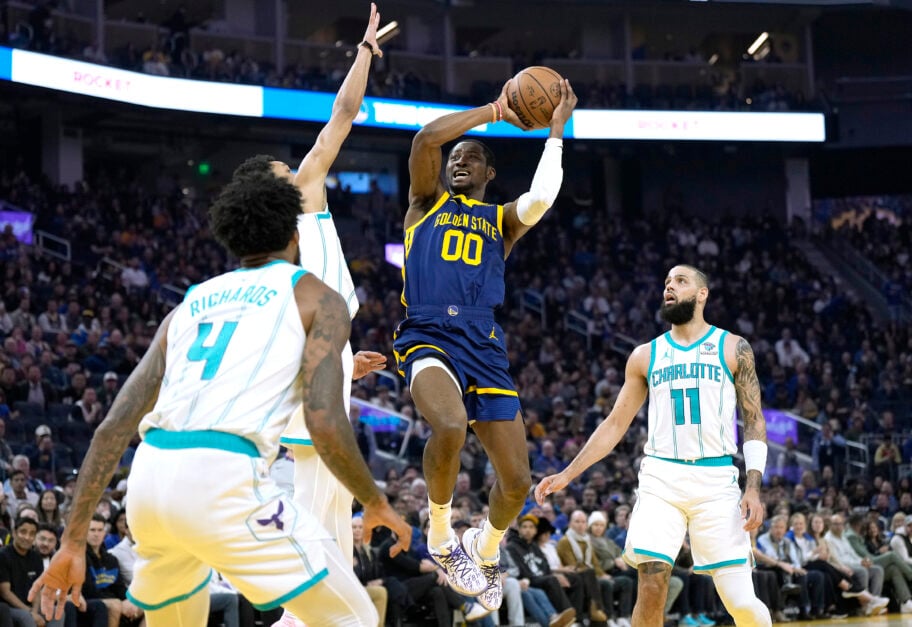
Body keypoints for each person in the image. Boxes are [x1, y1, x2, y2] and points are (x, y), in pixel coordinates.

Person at [28, 167, 410, 626]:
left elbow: (113, 426)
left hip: (149, 483)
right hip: (223, 476)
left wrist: (72, 542)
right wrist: (374, 499)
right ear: (295, 232)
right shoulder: (317, 296)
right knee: (356, 619)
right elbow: (324, 418)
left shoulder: (188, 302)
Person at [393, 67, 577, 612]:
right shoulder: (424, 205)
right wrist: (495, 111)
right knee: (448, 425)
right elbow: (427, 139)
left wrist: (555, 131)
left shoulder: (500, 219)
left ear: (489, 172)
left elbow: (541, 198)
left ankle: (486, 547)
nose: (457, 160)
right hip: (427, 331)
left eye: (470, 157)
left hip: (483, 339)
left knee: (517, 483)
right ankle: (443, 536)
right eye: (456, 157)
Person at [228, 7, 388, 626]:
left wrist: (347, 367)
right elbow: (341, 118)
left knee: (330, 545)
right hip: (311, 387)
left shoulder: (263, 249)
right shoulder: (306, 194)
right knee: (326, 556)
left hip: (318, 369)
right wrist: (365, 54)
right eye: (282, 172)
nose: (295, 169)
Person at [535, 264, 772, 627]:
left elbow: (754, 420)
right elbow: (615, 424)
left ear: (702, 293)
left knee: (741, 604)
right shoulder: (645, 355)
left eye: (680, 281)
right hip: (661, 476)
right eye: (666, 283)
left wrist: (753, 486)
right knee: (652, 578)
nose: (670, 288)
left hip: (717, 479)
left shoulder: (733, 348)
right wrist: (569, 473)